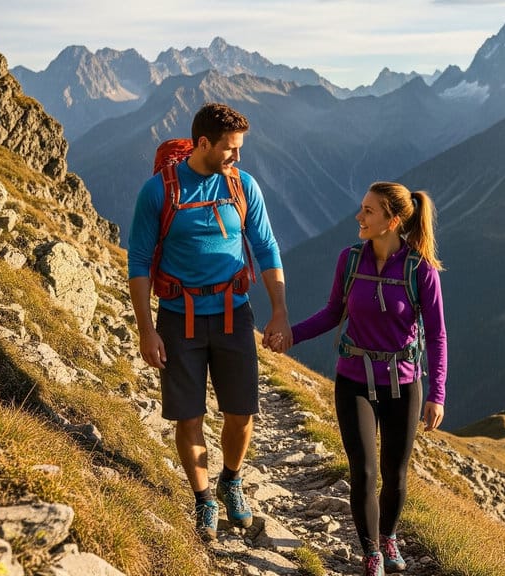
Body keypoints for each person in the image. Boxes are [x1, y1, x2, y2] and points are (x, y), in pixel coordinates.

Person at [127, 102, 292, 542]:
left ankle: (231, 479)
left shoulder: (243, 186)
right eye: (230, 149)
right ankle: (203, 500)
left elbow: (267, 247)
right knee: (189, 417)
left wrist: (279, 309)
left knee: (240, 414)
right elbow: (139, 263)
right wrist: (146, 328)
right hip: (178, 318)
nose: (237, 158)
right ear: (203, 144)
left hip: (235, 314)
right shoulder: (158, 191)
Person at [271, 181, 446, 576]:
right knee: (364, 470)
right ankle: (371, 553)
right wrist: (291, 335)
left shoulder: (421, 271)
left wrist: (438, 392)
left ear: (393, 220)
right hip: (353, 378)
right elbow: (334, 312)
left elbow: (436, 334)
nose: (358, 217)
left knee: (395, 473)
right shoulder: (350, 260)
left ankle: (389, 536)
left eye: (368, 211)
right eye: (362, 208)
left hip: (404, 383)